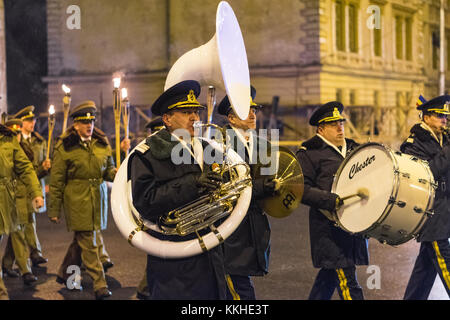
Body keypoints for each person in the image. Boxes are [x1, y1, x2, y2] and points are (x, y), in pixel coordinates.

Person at [129, 80, 227, 299]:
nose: (194, 117)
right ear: (167, 119)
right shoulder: (147, 154)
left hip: (210, 254)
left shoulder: (207, 149)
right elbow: (146, 202)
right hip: (174, 260)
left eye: (196, 111)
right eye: (185, 112)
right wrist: (193, 183)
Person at [296, 101, 369, 300]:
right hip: (328, 229)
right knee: (347, 280)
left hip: (353, 226)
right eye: (333, 124)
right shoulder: (309, 153)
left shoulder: (355, 149)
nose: (340, 128)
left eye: (341, 123)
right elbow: (300, 189)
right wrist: (330, 200)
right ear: (321, 129)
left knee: (329, 277)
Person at [48, 101, 116, 300]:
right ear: (76, 125)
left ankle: (67, 275)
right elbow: (57, 180)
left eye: (92, 122)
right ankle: (100, 284)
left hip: (98, 200)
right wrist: (54, 210)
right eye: (85, 123)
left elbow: (108, 170)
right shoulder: (65, 147)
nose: (89, 126)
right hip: (77, 200)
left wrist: (116, 173)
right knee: (90, 244)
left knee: (80, 243)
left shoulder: (102, 143)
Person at [217, 86, 276, 300]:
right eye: (246, 110)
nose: (253, 114)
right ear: (231, 118)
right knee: (239, 288)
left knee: (234, 287)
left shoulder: (262, 144)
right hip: (230, 228)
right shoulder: (217, 145)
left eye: (254, 109)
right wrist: (262, 188)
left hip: (253, 226)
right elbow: (225, 188)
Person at [401, 94, 450, 299]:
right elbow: (425, 174)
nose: (445, 121)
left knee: (426, 268)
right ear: (426, 117)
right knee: (444, 259)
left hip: (444, 208)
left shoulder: (444, 138)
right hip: (429, 211)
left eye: (446, 117)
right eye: (440, 116)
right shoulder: (414, 143)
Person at [0, 122, 43, 299]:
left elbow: (25, 167)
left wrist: (36, 192)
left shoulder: (7, 139)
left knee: (18, 232)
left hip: (5, 201)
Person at [14, 106, 50, 267]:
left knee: (24, 222)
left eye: (33, 120)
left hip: (35, 185)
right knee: (26, 221)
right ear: (21, 123)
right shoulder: (15, 141)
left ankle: (8, 263)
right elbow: (23, 170)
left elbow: (39, 168)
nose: (32, 123)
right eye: (28, 121)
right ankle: (35, 253)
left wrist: (46, 168)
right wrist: (41, 169)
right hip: (21, 187)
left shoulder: (40, 141)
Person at [135, 116, 165, 301]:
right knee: (158, 252)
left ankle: (146, 287)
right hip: (153, 211)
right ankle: (147, 288)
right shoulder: (145, 154)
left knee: (160, 252)